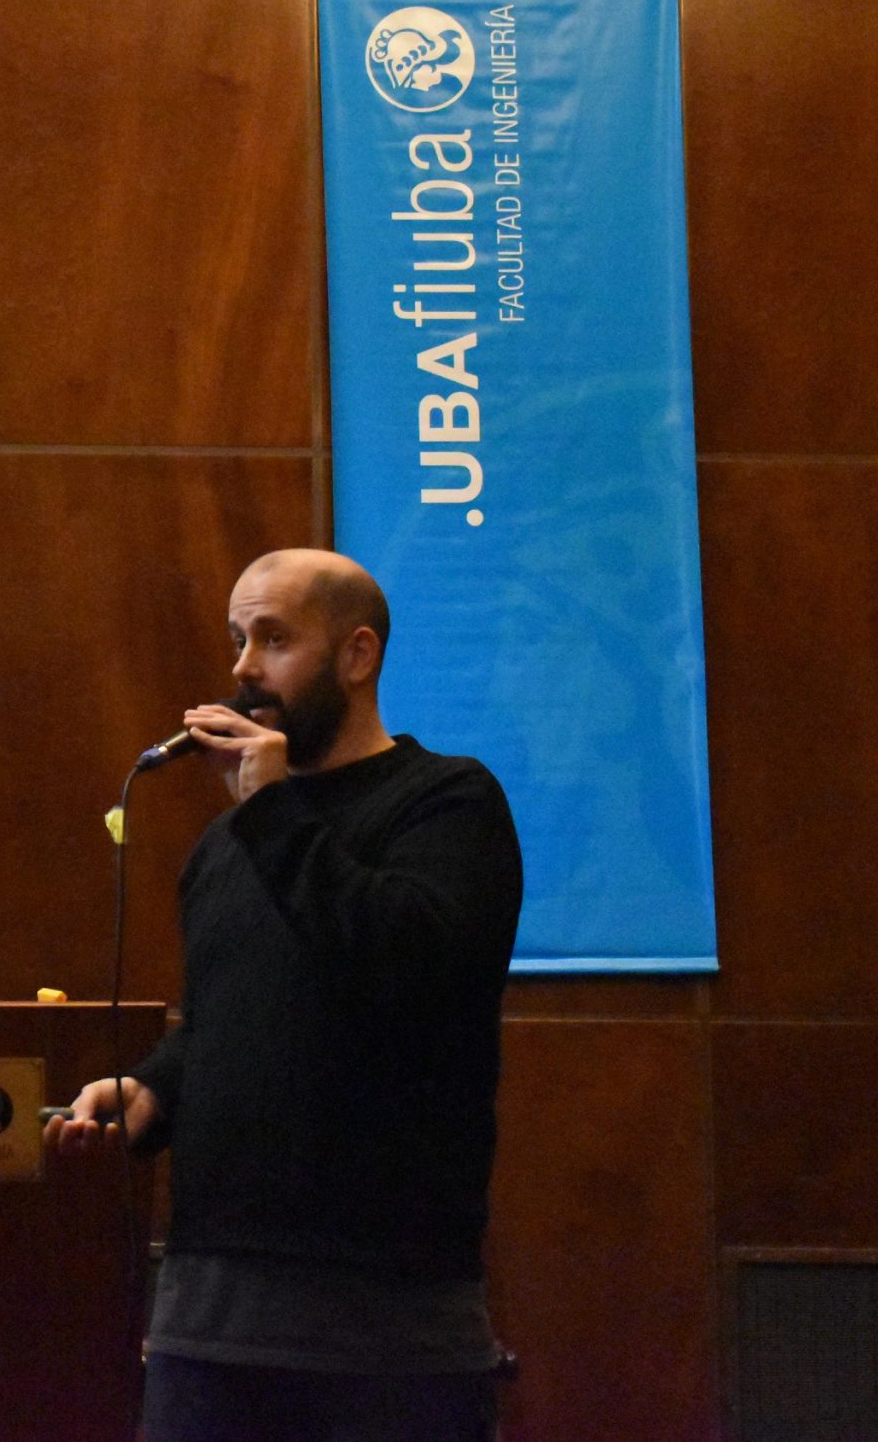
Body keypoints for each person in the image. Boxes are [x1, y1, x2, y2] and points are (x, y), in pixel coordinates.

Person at [47, 549, 523, 1442]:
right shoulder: (228, 846)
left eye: (273, 639)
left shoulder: (448, 803)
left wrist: (271, 811)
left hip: (390, 1325)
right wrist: (153, 1088)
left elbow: (407, 965)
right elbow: (231, 1018)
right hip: (211, 1317)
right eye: (237, 639)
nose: (243, 668)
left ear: (357, 654)